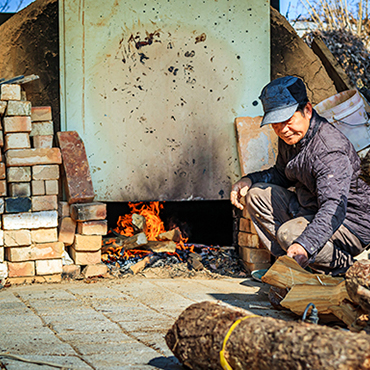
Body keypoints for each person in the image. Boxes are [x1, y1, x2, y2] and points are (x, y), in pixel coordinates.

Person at [230, 76, 370, 275]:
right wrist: (249, 180)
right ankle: (292, 267)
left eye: (287, 120)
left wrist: (305, 244)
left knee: (290, 234)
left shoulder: (329, 150)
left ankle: (343, 267)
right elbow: (282, 174)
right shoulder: (292, 138)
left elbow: (333, 209)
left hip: (349, 223)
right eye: (275, 124)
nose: (282, 130)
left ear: (308, 110)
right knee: (256, 194)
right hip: (311, 208)